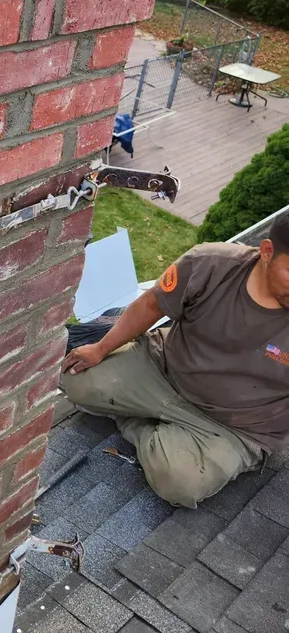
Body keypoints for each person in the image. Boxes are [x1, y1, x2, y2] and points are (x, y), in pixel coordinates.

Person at [61, 210, 289, 509]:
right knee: (76, 380)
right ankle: (162, 432)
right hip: (163, 370)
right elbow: (150, 306)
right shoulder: (211, 264)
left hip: (233, 426)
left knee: (180, 484)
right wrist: (101, 348)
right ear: (267, 251)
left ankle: (138, 422)